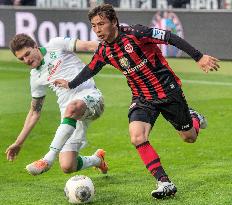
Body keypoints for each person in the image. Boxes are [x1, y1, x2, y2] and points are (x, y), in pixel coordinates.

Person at [53, 4, 220, 199]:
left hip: (168, 92)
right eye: (93, 25)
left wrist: (198, 57)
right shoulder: (104, 51)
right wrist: (71, 84)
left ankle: (194, 117)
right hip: (142, 97)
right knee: (137, 137)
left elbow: (170, 37)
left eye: (101, 24)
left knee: (189, 137)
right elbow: (91, 68)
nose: (97, 30)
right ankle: (164, 182)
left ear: (113, 21)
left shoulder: (137, 33)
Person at [5, 34, 108, 176]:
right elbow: (35, 112)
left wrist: (116, 49)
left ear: (35, 46)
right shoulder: (35, 77)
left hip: (91, 98)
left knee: (72, 107)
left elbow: (89, 46)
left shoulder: (56, 44)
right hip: (69, 116)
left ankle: (47, 159)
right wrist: (19, 142)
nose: (26, 60)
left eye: (27, 54)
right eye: (21, 58)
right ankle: (97, 160)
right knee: (68, 166)